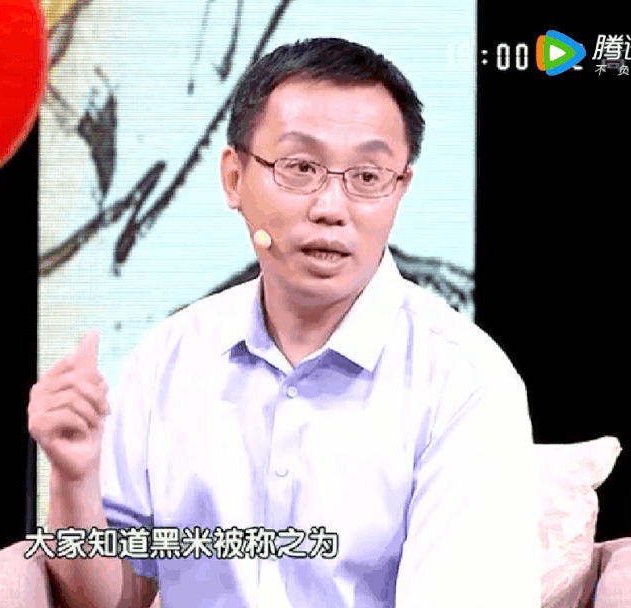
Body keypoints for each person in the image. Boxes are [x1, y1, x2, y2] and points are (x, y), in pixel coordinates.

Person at [28, 37, 541, 608]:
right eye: (301, 168)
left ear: (401, 190)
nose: (331, 208)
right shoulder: (170, 354)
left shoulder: (465, 379)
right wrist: (73, 478)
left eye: (368, 176)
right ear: (234, 177)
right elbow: (113, 598)